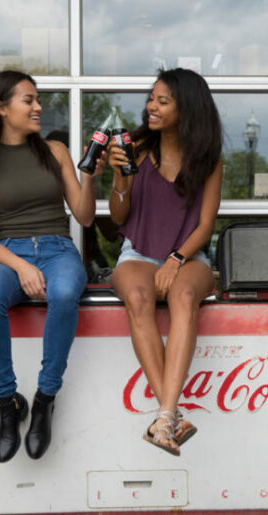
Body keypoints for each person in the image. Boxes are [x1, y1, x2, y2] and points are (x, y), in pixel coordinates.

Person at [0, 70, 105, 463]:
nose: (39, 107)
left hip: (59, 249)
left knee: (62, 292)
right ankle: (8, 403)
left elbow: (85, 216)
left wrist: (89, 176)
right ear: (2, 108)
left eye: (38, 99)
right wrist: (22, 267)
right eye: (29, 100)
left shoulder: (54, 151)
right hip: (8, 251)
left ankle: (44, 398)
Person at [107, 68, 222, 456]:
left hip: (189, 253)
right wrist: (120, 178)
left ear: (186, 109)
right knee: (138, 299)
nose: (150, 107)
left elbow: (205, 225)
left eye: (162, 101)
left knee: (184, 298)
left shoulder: (208, 157)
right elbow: (119, 217)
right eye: (151, 99)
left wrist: (175, 259)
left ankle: (164, 416)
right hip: (138, 252)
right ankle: (170, 416)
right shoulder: (135, 148)